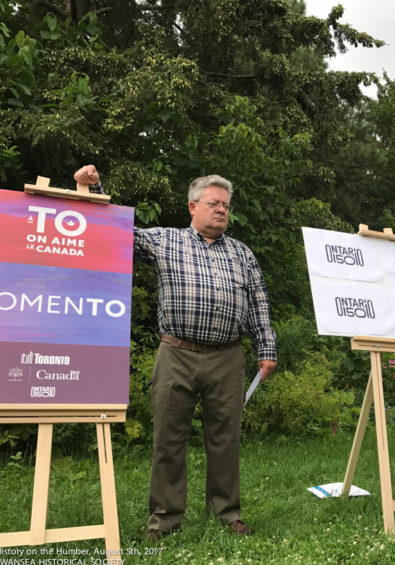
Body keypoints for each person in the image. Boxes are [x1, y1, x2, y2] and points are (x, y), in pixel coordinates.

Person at [74, 165, 277, 540]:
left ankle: (227, 513)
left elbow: (259, 304)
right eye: (214, 203)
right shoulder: (166, 240)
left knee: (226, 438)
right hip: (176, 353)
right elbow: (118, 233)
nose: (221, 210)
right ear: (192, 206)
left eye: (226, 206)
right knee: (168, 438)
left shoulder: (242, 254)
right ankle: (164, 520)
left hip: (228, 356)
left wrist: (267, 349)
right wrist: (94, 188)